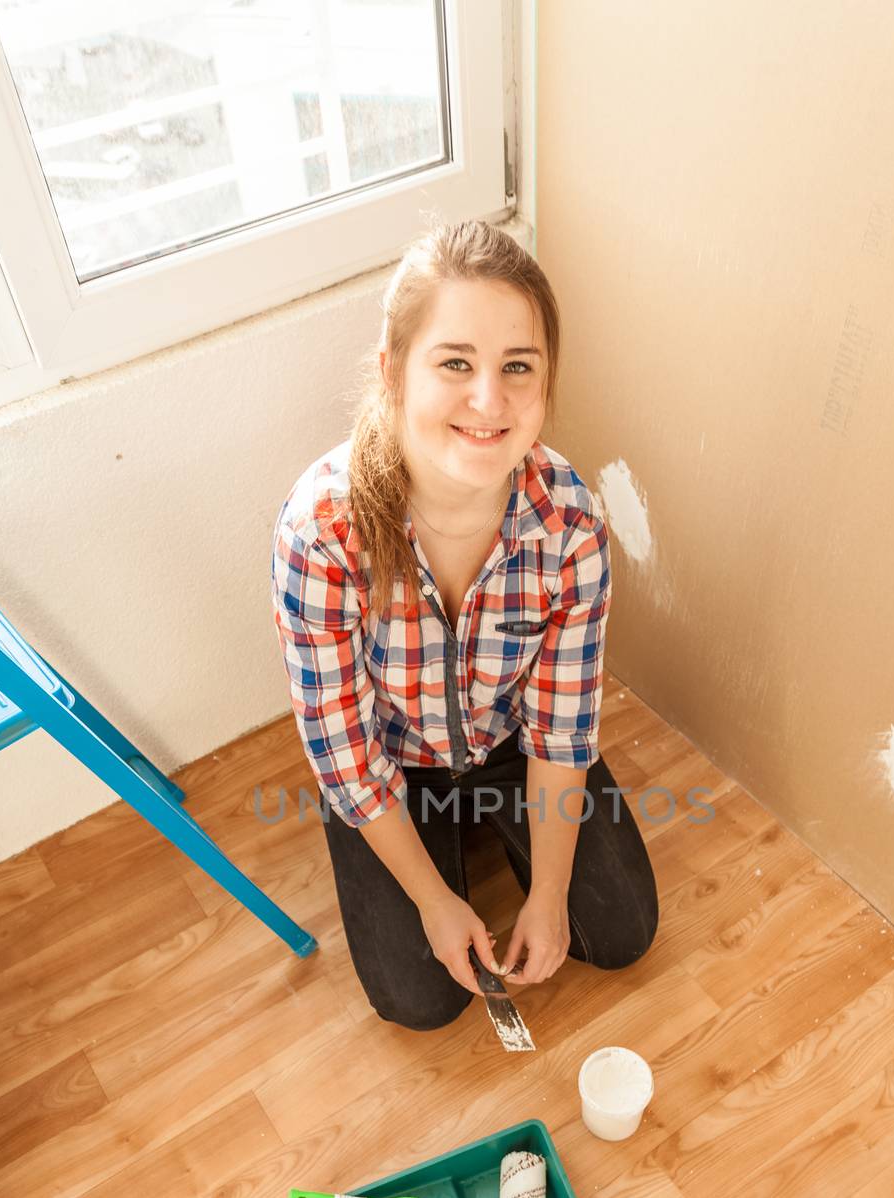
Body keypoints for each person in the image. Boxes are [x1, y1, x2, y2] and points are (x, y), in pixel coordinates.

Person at [271, 217, 658, 1031]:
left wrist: (549, 896)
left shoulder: (570, 527)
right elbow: (344, 755)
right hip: (393, 769)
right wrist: (432, 899)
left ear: (547, 381)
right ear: (393, 373)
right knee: (421, 1001)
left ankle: (493, 833)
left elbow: (559, 734)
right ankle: (438, 853)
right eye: (455, 363)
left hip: (510, 748)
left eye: (518, 367)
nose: (491, 400)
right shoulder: (320, 533)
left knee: (619, 935)